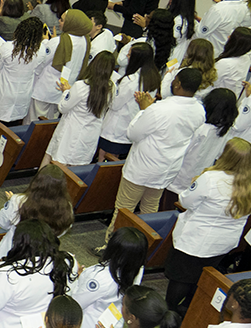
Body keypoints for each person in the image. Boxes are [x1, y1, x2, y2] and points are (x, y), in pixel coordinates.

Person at [101, 68, 205, 247]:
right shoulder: (199, 110)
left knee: (123, 210)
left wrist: (144, 110)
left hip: (142, 168)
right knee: (149, 211)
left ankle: (110, 247)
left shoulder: (160, 109)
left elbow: (133, 133)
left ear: (178, 84)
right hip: (166, 169)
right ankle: (140, 248)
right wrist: (150, 110)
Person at [164, 138, 251, 316]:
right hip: (224, 242)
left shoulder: (210, 178)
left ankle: (169, 311)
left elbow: (185, 201)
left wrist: (195, 182)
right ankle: (186, 309)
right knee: (202, 277)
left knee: (181, 278)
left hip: (196, 240)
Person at [70, 227, 146, 328]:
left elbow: (75, 303)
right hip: (112, 321)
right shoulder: (137, 268)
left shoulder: (100, 277)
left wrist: (76, 279)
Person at [165, 88, 237, 206]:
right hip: (199, 176)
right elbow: (219, 154)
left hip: (179, 177)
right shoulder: (226, 129)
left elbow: (184, 149)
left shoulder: (201, 128)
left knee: (168, 205)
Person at [43, 51, 115, 166]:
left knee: (58, 166)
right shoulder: (111, 88)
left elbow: (63, 107)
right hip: (89, 136)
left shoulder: (82, 86)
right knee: (76, 171)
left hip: (71, 134)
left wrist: (66, 91)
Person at [97, 42, 158, 162]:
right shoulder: (153, 77)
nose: (127, 57)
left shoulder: (131, 80)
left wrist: (111, 88)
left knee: (104, 158)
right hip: (132, 127)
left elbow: (114, 104)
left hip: (116, 129)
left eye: (130, 55)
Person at [27, 9, 91, 121]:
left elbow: (41, 61)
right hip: (63, 88)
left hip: (44, 89)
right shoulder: (85, 41)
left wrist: (45, 42)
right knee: (50, 122)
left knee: (32, 122)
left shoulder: (58, 41)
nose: (59, 22)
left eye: (62, 20)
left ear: (71, 23)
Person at [0, 17, 49, 124]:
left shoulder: (7, 47)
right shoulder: (42, 50)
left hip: (4, 93)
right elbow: (38, 72)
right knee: (14, 127)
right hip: (23, 94)